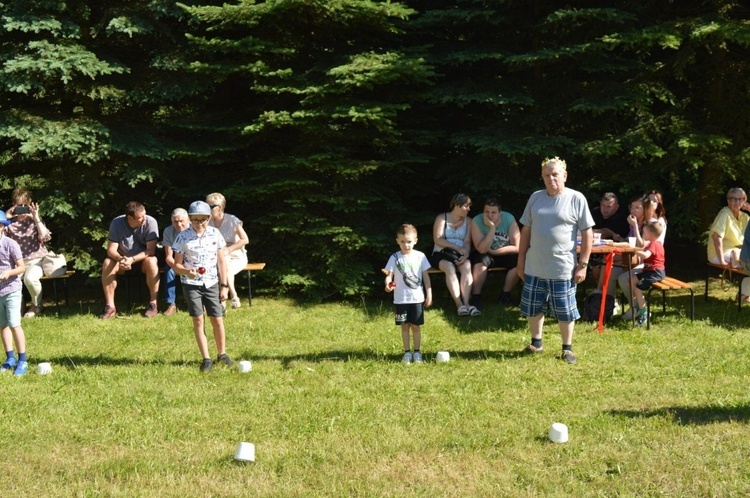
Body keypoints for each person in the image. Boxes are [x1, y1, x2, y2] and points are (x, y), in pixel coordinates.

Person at [517, 157, 594, 365]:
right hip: (534, 265)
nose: (551, 178)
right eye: (546, 175)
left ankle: (567, 349)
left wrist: (583, 264)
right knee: (533, 307)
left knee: (565, 310)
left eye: (555, 174)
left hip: (563, 268)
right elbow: (526, 230)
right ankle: (536, 343)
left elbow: (588, 234)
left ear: (565, 176)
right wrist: (521, 259)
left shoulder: (576, 198)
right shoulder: (535, 198)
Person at [172, 201, 233, 373]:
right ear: (190, 219)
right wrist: (186, 271)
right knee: (199, 319)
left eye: (203, 220)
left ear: (209, 218)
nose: (199, 224)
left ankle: (222, 354)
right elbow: (176, 266)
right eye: (195, 220)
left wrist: (224, 285)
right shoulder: (182, 237)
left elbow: (221, 261)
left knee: (217, 318)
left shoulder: (215, 234)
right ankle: (206, 358)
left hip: (212, 282)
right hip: (191, 284)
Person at [99, 201, 160, 319]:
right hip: (122, 261)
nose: (144, 219)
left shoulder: (150, 222)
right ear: (130, 218)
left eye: (144, 215)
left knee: (152, 261)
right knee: (107, 262)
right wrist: (121, 259)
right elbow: (111, 250)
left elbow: (150, 251)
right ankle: (110, 306)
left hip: (142, 261)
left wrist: (132, 259)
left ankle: (153, 304)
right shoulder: (117, 223)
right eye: (140, 217)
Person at [384, 224, 432, 364]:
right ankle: (407, 353)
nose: (406, 245)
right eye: (403, 242)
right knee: (405, 327)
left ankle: (417, 352)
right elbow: (389, 275)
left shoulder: (420, 256)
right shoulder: (394, 257)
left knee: (416, 327)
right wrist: (388, 284)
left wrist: (429, 294)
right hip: (400, 300)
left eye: (409, 242)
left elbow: (426, 278)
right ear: (397, 241)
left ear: (415, 240)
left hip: (417, 299)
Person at [618, 193, 667, 318]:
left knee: (625, 279)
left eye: (637, 207)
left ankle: (640, 309)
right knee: (624, 277)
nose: (633, 210)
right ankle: (635, 306)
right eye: (631, 207)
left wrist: (635, 228)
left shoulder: (650, 225)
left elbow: (644, 248)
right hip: (645, 266)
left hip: (652, 269)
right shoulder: (638, 223)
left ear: (645, 208)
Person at [4, 188, 52, 318]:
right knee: (9, 280)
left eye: (26, 205)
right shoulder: (9, 224)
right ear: (13, 205)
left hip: (36, 261)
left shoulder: (34, 222)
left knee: (30, 278)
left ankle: (37, 305)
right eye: (19, 206)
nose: (22, 209)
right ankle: (18, 305)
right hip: (17, 263)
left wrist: (36, 219)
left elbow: (46, 237)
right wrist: (6, 217)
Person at [429, 193, 477, 316]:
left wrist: (465, 254)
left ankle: (467, 303)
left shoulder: (469, 221)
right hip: (441, 253)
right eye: (466, 206)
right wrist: (457, 248)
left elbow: (467, 241)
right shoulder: (442, 218)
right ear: (456, 205)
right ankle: (458, 304)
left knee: (467, 266)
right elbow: (438, 239)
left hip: (459, 255)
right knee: (449, 267)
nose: (469, 209)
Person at [469, 196, 520, 309]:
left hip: (504, 252)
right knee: (480, 261)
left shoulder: (509, 218)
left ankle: (505, 294)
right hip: (484, 253)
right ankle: (476, 296)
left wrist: (494, 252)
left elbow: (517, 246)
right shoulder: (477, 221)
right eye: (486, 212)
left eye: (493, 212)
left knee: (519, 261)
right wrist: (491, 228)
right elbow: (481, 249)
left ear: (500, 213)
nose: (489, 215)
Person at [206, 193, 249, 311]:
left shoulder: (232, 220)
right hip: (217, 255)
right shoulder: (207, 221)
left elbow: (245, 240)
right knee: (223, 263)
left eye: (210, 206)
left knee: (224, 265)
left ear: (219, 207)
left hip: (236, 254)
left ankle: (226, 300)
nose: (207, 209)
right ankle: (232, 297)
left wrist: (228, 249)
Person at [0, 210, 29, 376]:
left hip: (12, 290)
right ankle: (9, 358)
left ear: (3, 227)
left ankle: (22, 360)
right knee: (2, 325)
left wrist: (8, 273)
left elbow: (21, 267)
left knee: (14, 324)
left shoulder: (10, 244)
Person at [627, 220, 666, 326]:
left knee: (638, 288)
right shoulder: (651, 244)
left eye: (644, 232)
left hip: (655, 273)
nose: (642, 234)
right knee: (631, 280)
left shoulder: (654, 244)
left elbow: (646, 255)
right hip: (648, 271)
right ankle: (638, 305)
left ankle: (644, 313)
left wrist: (634, 251)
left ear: (651, 234)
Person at [589, 192, 630, 284]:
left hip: (613, 253)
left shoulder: (620, 218)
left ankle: (602, 295)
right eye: (603, 205)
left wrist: (588, 231)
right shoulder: (595, 212)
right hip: (594, 250)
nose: (605, 209)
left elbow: (605, 233)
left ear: (616, 207)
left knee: (597, 269)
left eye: (609, 206)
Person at [706, 188, 750, 269]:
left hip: (738, 252)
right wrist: (722, 260)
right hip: (719, 254)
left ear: (744, 201)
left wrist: (749, 208)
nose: (737, 202)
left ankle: (736, 258)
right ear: (728, 201)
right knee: (743, 255)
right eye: (733, 199)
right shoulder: (724, 214)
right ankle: (736, 257)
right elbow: (716, 238)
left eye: (740, 199)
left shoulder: (744, 217)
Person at [161, 208, 189, 316]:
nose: (179, 224)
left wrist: (186, 268)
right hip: (175, 262)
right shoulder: (168, 231)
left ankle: (197, 302)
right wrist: (178, 268)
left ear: (188, 220)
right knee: (169, 271)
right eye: (175, 221)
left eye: (181, 221)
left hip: (192, 261)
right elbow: (168, 256)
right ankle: (171, 304)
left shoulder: (195, 229)